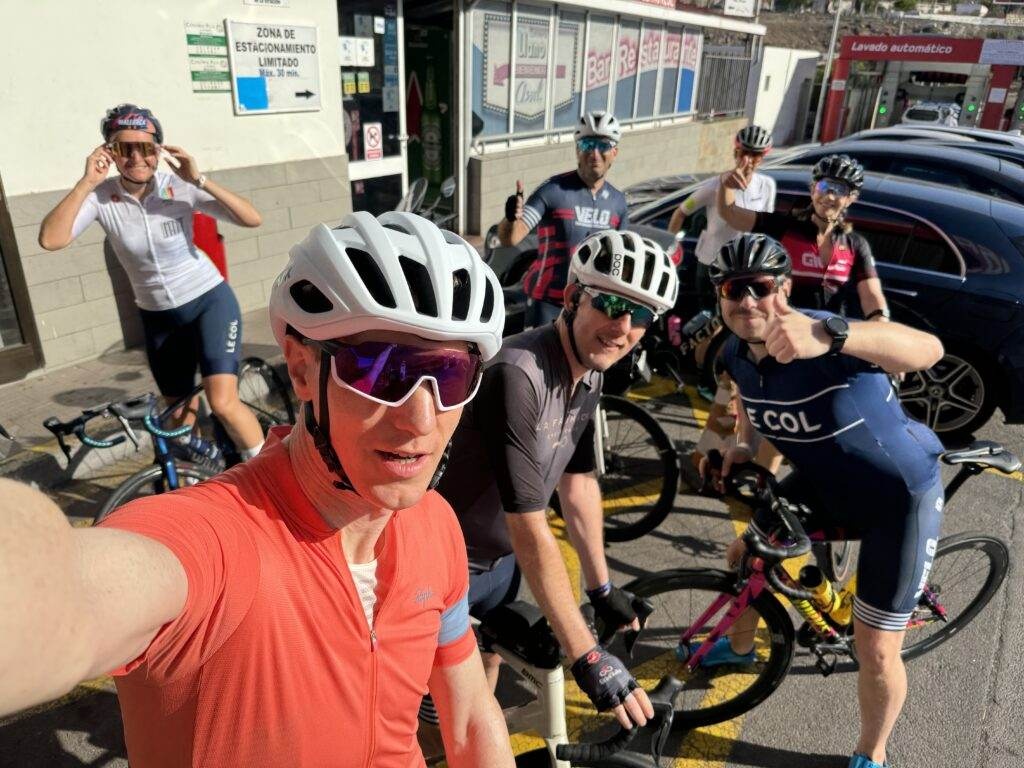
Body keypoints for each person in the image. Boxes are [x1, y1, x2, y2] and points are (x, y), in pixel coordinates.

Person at [0, 212, 516, 768]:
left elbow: (465, 715)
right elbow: (61, 590)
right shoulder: (217, 542)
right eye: (379, 370)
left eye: (451, 376)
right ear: (299, 370)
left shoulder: (435, 523)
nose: (421, 419)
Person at [702, 232, 946, 768]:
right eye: (732, 289)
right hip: (821, 481)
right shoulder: (735, 349)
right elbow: (750, 399)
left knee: (876, 650)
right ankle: (742, 650)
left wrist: (834, 333)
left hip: (897, 496)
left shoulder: (824, 339)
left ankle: (872, 753)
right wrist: (743, 444)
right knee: (745, 556)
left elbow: (930, 351)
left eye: (760, 287)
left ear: (783, 289)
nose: (746, 301)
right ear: (719, 296)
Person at [437, 229, 679, 730]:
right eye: (611, 303)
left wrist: (602, 588)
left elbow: (579, 484)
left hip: (500, 565)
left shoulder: (592, 372)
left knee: (482, 687)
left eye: (643, 315)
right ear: (571, 297)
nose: (623, 327)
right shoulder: (517, 372)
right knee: (435, 715)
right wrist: (586, 654)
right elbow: (528, 522)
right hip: (444, 567)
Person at [38, 103, 265, 463]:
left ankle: (270, 476)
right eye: (123, 147)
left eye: (144, 147)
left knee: (222, 401)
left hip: (208, 300)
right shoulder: (101, 197)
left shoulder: (179, 187)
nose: (135, 157)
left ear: (158, 149)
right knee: (177, 418)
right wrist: (86, 183)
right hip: (158, 317)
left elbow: (252, 219)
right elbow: (51, 239)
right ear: (109, 153)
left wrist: (199, 179)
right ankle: (203, 478)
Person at [716, 153, 889, 320]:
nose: (830, 195)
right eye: (824, 186)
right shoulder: (784, 227)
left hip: (830, 335)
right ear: (813, 189)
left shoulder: (855, 244)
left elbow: (871, 295)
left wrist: (880, 319)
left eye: (840, 190)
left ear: (851, 198)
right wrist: (726, 184)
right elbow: (729, 213)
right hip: (783, 331)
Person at [499, 111, 629, 328]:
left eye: (604, 145)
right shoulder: (553, 190)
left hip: (589, 305)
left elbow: (621, 261)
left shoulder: (618, 202)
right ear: (578, 150)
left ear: (615, 152)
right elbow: (511, 238)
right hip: (546, 302)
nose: (595, 153)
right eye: (587, 144)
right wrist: (511, 217)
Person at [668, 124, 776, 311]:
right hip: (712, 264)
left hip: (745, 268)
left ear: (763, 157)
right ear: (735, 152)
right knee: (709, 320)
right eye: (744, 153)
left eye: (756, 155)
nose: (748, 160)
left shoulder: (766, 186)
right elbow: (681, 213)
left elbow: (765, 229)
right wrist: (669, 253)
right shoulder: (713, 186)